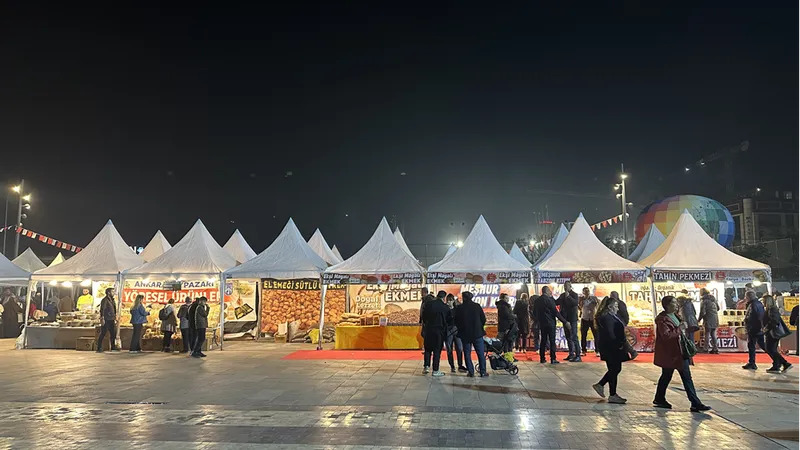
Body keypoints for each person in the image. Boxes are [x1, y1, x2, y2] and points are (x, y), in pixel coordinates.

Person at [653, 295, 711, 412]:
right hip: (672, 353)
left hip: (680, 351)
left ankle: (659, 398)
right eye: (674, 302)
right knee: (683, 377)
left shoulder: (675, 316)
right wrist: (680, 328)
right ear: (667, 305)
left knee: (668, 376)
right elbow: (666, 335)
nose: (676, 304)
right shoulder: (662, 319)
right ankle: (695, 402)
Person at [592, 296, 629, 404]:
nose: (617, 309)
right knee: (615, 369)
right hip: (611, 347)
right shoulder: (606, 318)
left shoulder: (609, 316)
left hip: (611, 347)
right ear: (610, 307)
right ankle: (604, 387)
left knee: (614, 369)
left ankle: (611, 392)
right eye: (616, 306)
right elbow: (610, 333)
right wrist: (618, 344)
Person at [533, 286, 570, 364]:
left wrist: (538, 320)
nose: (551, 292)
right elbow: (555, 312)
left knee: (543, 340)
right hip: (550, 323)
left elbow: (534, 313)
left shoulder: (537, 301)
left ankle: (542, 358)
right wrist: (565, 322)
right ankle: (553, 358)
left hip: (542, 323)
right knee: (552, 340)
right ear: (546, 291)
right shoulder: (549, 300)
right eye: (549, 291)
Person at [454, 291, 488, 377]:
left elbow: (456, 321)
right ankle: (483, 371)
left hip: (465, 334)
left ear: (463, 298)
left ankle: (471, 372)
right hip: (477, 334)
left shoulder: (459, 308)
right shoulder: (477, 306)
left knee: (467, 354)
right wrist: (479, 327)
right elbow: (483, 319)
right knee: (480, 354)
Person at [422, 291, 451, 376]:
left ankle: (426, 367)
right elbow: (449, 319)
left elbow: (424, 317)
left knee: (428, 349)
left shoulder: (429, 304)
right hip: (439, 331)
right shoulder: (445, 307)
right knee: (437, 350)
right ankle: (435, 370)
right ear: (444, 298)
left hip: (429, 329)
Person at [762, 295, 793, 373]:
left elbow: (774, 321)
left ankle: (784, 363)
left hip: (772, 332)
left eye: (764, 300)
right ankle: (777, 365)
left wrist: (766, 327)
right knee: (772, 349)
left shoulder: (771, 309)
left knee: (769, 349)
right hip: (772, 332)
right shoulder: (772, 309)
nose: (763, 302)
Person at [742, 291, 767, 370]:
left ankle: (752, 363)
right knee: (762, 345)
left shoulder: (753, 305)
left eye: (746, 297)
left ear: (748, 297)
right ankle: (778, 359)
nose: (745, 298)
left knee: (752, 345)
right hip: (758, 328)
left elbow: (753, 317)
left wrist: (748, 324)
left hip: (754, 328)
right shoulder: (758, 304)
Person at [610, 291, 637, 359]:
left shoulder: (620, 304)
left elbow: (624, 314)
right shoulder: (615, 303)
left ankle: (631, 352)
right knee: (620, 339)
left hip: (619, 323)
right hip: (616, 323)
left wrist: (625, 323)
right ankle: (631, 352)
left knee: (621, 339)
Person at [557, 282, 581, 362]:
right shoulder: (562, 295)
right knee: (568, 337)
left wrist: (569, 297)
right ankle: (571, 354)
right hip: (565, 318)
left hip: (572, 318)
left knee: (574, 336)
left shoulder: (574, 294)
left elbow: (575, 303)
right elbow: (557, 302)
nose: (565, 287)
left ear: (570, 286)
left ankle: (578, 355)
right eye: (564, 286)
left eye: (566, 286)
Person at [444, 293, 466, 373]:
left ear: (453, 301)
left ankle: (460, 365)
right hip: (448, 331)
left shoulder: (457, 309)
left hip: (457, 331)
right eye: (448, 300)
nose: (449, 302)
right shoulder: (445, 309)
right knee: (449, 349)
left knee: (459, 348)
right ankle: (452, 365)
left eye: (451, 300)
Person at [697, 288, 720, 354]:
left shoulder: (704, 301)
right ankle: (715, 348)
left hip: (708, 318)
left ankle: (705, 348)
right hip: (715, 318)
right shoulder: (713, 299)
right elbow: (718, 308)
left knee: (707, 334)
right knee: (713, 334)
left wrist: (699, 319)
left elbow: (702, 312)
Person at [96, 288, 118, 352]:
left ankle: (113, 347)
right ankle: (99, 347)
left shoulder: (112, 300)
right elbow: (102, 309)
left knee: (113, 333)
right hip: (106, 319)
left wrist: (115, 317)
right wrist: (102, 318)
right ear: (108, 292)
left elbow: (113, 309)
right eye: (112, 292)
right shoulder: (105, 300)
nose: (114, 293)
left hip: (112, 319)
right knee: (103, 333)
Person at [578, 287, 598, 356]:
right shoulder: (581, 299)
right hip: (584, 318)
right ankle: (583, 350)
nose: (587, 293)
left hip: (592, 318)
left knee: (596, 335)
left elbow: (598, 304)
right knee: (583, 335)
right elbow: (578, 306)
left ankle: (597, 350)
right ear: (583, 292)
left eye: (588, 291)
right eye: (585, 292)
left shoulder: (594, 298)